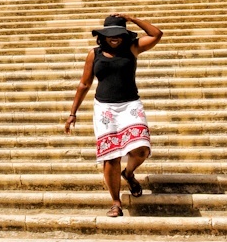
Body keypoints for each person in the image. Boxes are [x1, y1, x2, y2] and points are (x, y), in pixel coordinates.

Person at [64, 14, 163, 217]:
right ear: (103, 36)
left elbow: (156, 34)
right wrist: (72, 113)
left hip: (130, 105)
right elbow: (84, 83)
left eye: (119, 33)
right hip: (105, 109)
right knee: (111, 158)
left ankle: (128, 173)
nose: (114, 38)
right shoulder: (94, 54)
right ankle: (116, 202)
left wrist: (131, 18)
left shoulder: (133, 48)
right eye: (110, 34)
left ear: (124, 35)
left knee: (141, 150)